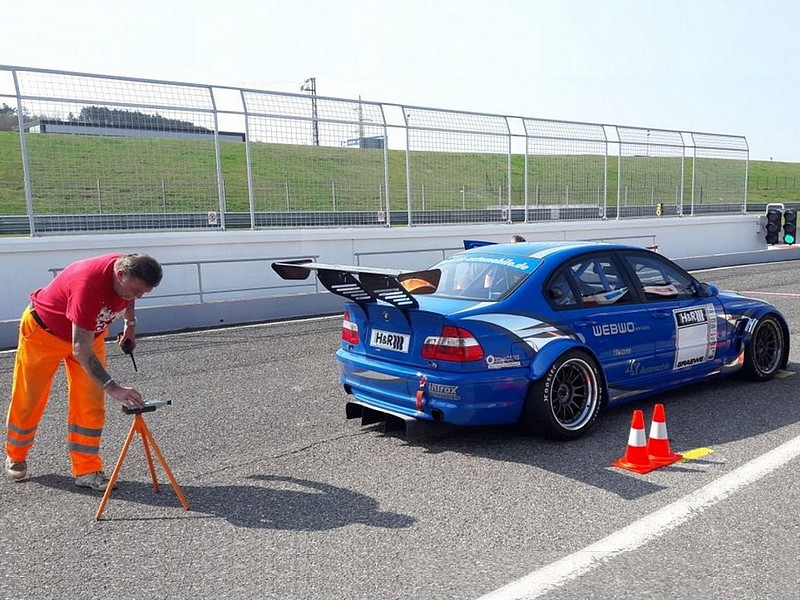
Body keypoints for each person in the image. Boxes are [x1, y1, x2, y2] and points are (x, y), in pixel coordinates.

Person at [5, 253, 163, 491]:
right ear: (120, 276)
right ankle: (16, 453)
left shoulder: (129, 273)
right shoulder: (87, 286)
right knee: (30, 396)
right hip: (44, 334)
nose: (137, 297)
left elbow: (128, 299)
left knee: (90, 402)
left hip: (91, 336)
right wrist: (113, 387)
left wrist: (130, 326)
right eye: (135, 291)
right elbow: (81, 350)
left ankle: (87, 469)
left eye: (143, 293)